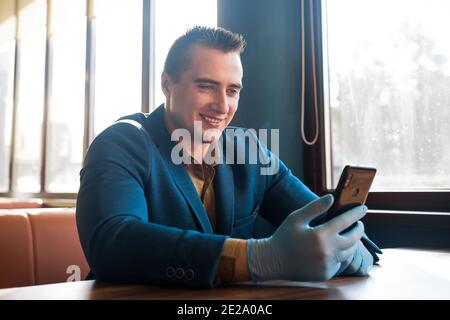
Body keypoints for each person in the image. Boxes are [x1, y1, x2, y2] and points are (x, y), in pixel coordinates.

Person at [76, 26, 380, 288]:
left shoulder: (248, 149)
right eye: (206, 86)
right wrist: (258, 257)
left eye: (232, 90)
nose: (222, 106)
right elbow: (112, 243)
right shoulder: (120, 142)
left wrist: (344, 245)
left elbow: (319, 219)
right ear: (167, 83)